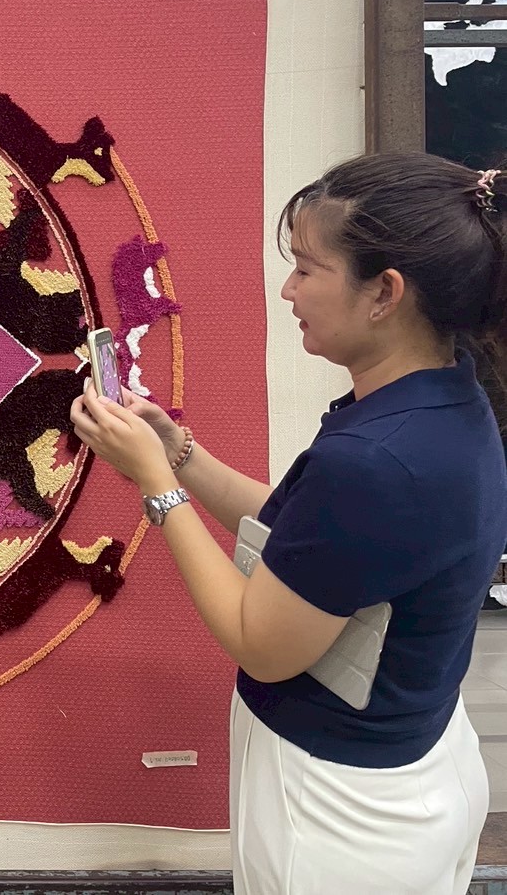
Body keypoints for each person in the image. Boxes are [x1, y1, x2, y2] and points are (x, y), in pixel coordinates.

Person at [72, 152, 507, 894]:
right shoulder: (443, 405)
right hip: (418, 767)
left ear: (385, 293)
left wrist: (154, 485)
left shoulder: (374, 460)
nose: (287, 289)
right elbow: (310, 540)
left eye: (307, 268)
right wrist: (178, 453)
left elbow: (260, 643)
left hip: (342, 817)